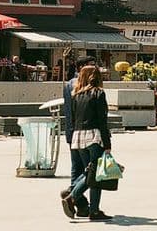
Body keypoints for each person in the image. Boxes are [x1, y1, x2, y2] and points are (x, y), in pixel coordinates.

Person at [61, 65, 113, 221]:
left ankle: (83, 200)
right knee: (95, 175)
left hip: (78, 137)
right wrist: (107, 143)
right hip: (94, 136)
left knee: (89, 173)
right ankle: (74, 197)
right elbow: (102, 120)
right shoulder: (98, 93)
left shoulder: (76, 94)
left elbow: (73, 117)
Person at [60, 56, 95, 219]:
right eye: (91, 66)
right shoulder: (87, 85)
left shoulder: (68, 84)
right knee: (92, 168)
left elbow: (68, 111)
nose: (95, 69)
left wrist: (69, 131)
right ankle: (72, 193)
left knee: (77, 169)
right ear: (82, 67)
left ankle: (81, 207)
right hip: (87, 132)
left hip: (72, 131)